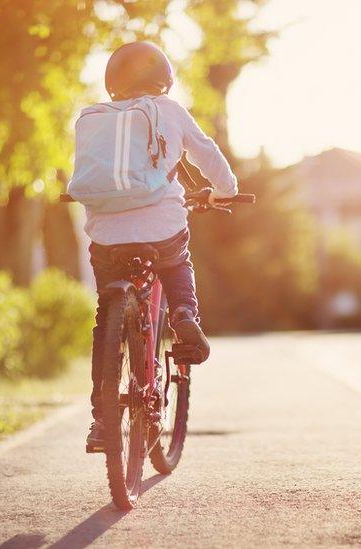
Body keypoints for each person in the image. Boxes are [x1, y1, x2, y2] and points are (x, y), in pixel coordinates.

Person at [83, 42, 237, 446]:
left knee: (105, 321)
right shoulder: (170, 110)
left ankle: (102, 421)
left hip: (107, 236)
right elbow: (206, 152)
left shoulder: (97, 117)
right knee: (176, 260)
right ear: (163, 79)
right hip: (161, 228)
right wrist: (225, 190)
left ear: (113, 81)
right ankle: (184, 313)